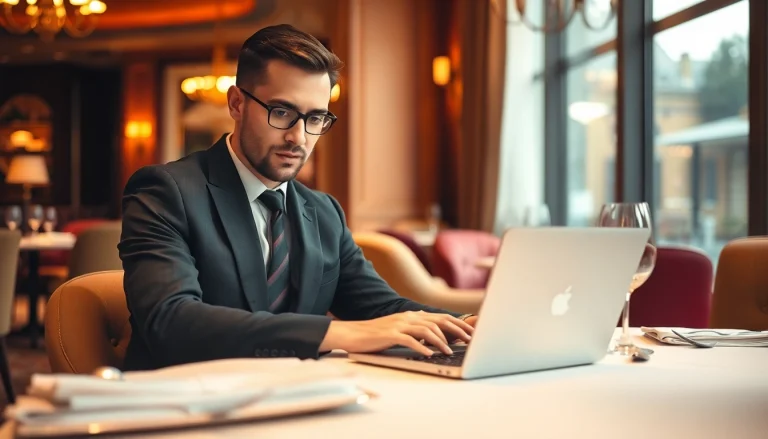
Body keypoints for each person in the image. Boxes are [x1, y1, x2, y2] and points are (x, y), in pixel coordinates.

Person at [118, 24, 478, 371]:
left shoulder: (323, 212)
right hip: (186, 410)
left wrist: (468, 326)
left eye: (315, 118)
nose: (299, 138)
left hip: (296, 401)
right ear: (237, 103)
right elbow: (171, 322)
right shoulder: (166, 191)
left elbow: (379, 307)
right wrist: (336, 332)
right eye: (282, 112)